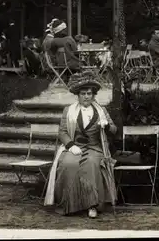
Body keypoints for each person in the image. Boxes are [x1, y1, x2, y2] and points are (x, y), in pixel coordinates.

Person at [44, 71, 117, 218]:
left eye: (89, 93)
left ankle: (93, 205)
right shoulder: (69, 110)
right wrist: (71, 145)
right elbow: (62, 132)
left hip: (94, 147)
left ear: (93, 95)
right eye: (83, 93)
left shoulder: (101, 111)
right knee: (68, 165)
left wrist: (106, 126)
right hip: (75, 146)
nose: (86, 96)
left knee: (90, 164)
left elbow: (114, 130)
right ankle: (70, 205)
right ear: (78, 95)